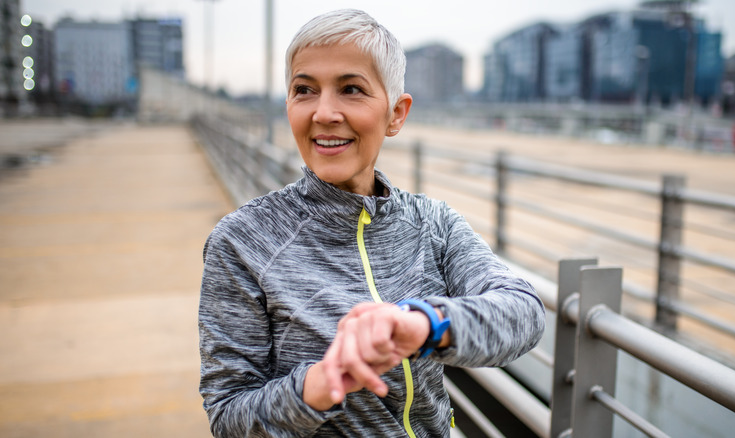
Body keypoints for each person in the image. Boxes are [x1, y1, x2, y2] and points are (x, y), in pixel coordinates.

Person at [198, 9, 545, 438]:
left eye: (351, 90)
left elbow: (523, 312)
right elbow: (229, 416)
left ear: (396, 114)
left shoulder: (432, 222)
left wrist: (422, 324)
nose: (324, 112)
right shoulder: (241, 242)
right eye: (304, 89)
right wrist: (319, 385)